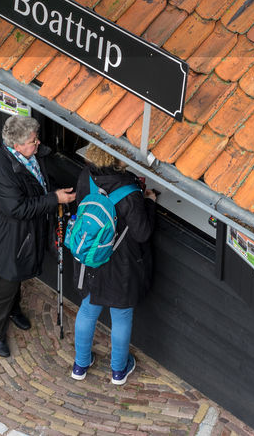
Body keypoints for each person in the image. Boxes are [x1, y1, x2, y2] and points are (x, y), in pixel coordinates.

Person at [0, 115, 75, 358]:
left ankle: (13, 309)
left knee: (14, 278)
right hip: (2, 239)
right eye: (33, 141)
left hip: (16, 234)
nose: (37, 144)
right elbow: (17, 208)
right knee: (5, 282)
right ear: (16, 146)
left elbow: (37, 180)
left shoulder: (25, 155)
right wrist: (54, 199)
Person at [69, 145, 157, 386]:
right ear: (120, 160)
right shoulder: (129, 191)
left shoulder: (86, 175)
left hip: (91, 258)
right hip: (121, 265)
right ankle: (118, 370)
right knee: (121, 316)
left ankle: (81, 364)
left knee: (88, 310)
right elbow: (142, 233)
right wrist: (149, 201)